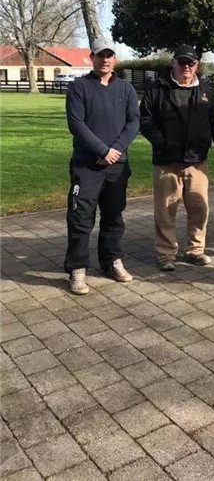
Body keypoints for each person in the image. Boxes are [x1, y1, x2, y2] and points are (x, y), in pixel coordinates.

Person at [140, 44, 214, 271]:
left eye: (190, 63)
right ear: (173, 63)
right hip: (166, 162)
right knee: (166, 211)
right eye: (181, 62)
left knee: (199, 209)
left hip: (197, 162)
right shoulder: (156, 89)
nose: (186, 66)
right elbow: (146, 121)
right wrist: (162, 142)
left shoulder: (206, 90)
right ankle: (166, 255)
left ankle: (195, 251)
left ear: (197, 65)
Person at [64, 37, 140, 295]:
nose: (105, 59)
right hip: (87, 165)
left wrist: (114, 151)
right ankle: (77, 269)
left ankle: (111, 261)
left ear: (115, 59)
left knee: (113, 216)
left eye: (109, 55)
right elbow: (76, 124)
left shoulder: (126, 90)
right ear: (91, 57)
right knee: (80, 218)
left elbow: (133, 123)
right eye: (100, 55)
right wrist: (101, 150)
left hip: (117, 165)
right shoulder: (79, 87)